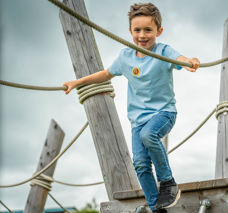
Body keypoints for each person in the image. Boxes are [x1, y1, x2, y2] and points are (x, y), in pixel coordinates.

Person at [63, 3, 200, 212]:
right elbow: (106, 73)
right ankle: (156, 207)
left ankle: (168, 182)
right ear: (130, 31)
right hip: (137, 120)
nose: (142, 35)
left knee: (149, 135)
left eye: (148, 30)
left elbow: (180, 59)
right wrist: (77, 82)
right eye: (137, 30)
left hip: (164, 113)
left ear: (158, 31)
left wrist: (190, 61)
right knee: (140, 163)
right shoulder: (125, 57)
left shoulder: (163, 51)